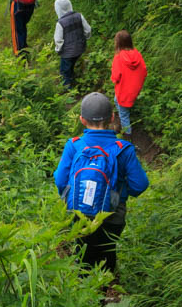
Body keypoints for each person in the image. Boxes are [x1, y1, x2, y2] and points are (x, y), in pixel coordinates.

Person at [52, 91, 150, 276]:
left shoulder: (74, 145)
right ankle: (105, 290)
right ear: (112, 117)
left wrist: (71, 197)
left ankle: (83, 290)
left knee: (83, 250)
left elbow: (60, 179)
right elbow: (140, 184)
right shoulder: (123, 149)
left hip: (79, 213)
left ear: (82, 119)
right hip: (111, 214)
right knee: (107, 249)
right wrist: (118, 194)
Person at [109, 30, 146, 136]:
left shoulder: (119, 58)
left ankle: (127, 135)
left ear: (118, 43)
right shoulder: (137, 54)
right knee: (119, 102)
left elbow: (115, 77)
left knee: (124, 114)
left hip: (123, 90)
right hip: (134, 89)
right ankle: (123, 122)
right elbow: (144, 71)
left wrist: (114, 79)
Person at [52, 0, 90, 87]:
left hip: (67, 53)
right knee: (71, 65)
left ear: (57, 9)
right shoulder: (79, 16)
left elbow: (58, 40)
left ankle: (68, 90)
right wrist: (85, 39)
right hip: (80, 48)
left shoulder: (60, 23)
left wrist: (58, 50)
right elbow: (88, 30)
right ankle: (73, 80)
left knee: (64, 71)